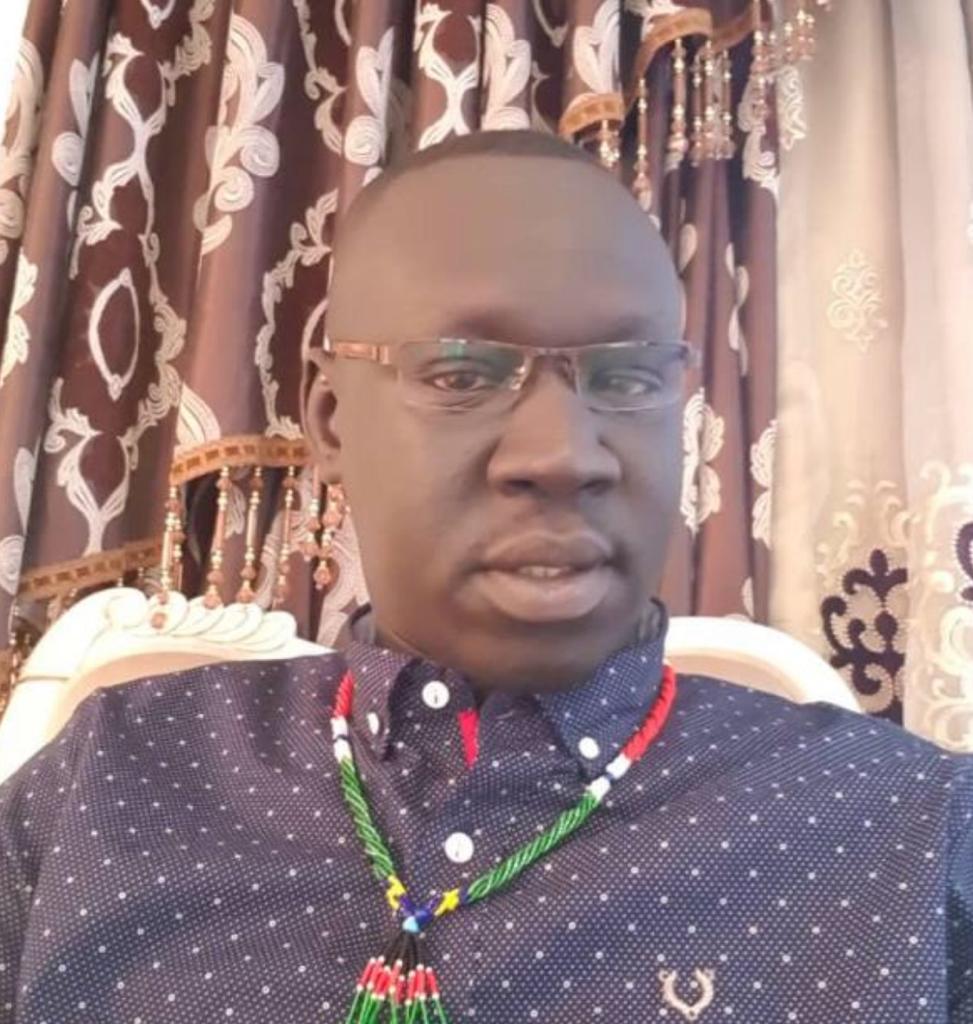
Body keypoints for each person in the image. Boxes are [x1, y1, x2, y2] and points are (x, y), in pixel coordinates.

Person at [0, 130, 971, 1024]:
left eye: (626, 377)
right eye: (460, 374)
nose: (563, 455)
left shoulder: (909, 831)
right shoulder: (115, 775)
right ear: (330, 422)